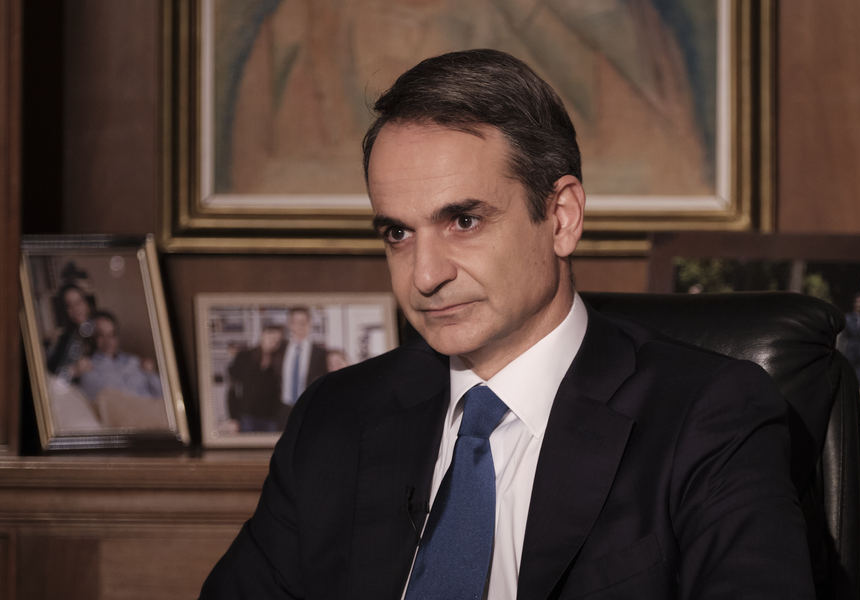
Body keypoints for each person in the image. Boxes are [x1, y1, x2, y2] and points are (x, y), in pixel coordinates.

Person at [201, 49, 813, 598]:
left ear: (562, 218)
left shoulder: (709, 416)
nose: (424, 275)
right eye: (398, 233)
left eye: (464, 222)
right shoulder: (336, 417)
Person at [78, 311, 163, 404]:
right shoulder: (88, 370)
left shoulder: (133, 361)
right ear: (91, 338)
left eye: (112, 334)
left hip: (154, 407)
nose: (108, 341)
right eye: (101, 335)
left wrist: (150, 374)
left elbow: (161, 393)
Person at [226, 324, 287, 432]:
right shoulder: (244, 357)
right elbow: (232, 389)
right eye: (271, 337)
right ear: (263, 335)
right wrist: (233, 418)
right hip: (247, 416)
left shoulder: (281, 361)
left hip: (272, 418)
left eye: (277, 341)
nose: (273, 343)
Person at [279, 307, 328, 407]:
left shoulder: (320, 353)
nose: (300, 326)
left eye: (303, 322)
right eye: (295, 322)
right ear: (289, 324)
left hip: (310, 406)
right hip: (283, 408)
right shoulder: (280, 349)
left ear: (310, 324)